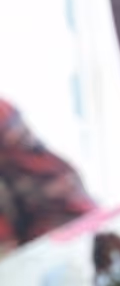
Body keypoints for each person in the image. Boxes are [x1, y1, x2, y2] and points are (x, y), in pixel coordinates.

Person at [0, 99, 95, 254]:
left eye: (16, 123)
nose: (17, 132)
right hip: (47, 252)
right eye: (8, 129)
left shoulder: (39, 154)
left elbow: (72, 182)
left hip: (88, 230)